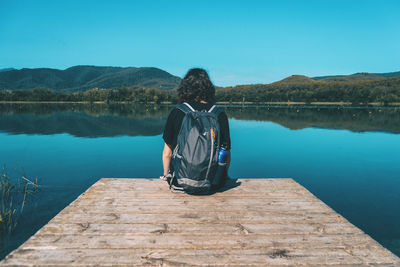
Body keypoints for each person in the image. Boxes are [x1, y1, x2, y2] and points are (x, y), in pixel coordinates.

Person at [161, 68, 231, 189]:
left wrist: (166, 175)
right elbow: (226, 152)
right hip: (212, 184)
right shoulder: (218, 113)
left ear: (185, 87)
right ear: (209, 88)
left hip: (179, 182)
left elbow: (167, 153)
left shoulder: (178, 111)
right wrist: (224, 176)